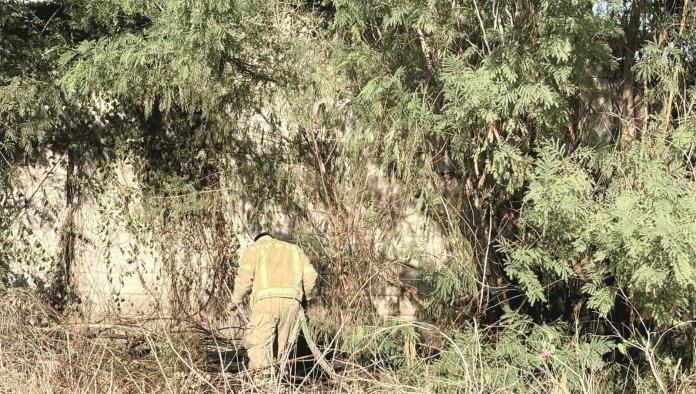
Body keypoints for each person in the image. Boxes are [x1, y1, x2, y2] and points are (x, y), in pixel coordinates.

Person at [230, 231, 318, 376]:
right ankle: (282, 383)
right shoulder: (294, 249)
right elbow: (311, 276)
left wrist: (234, 302)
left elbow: (244, 281)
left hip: (265, 304)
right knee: (284, 350)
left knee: (259, 347)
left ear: (257, 239)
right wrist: (303, 300)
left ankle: (263, 385)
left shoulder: (254, 249)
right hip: (292, 304)